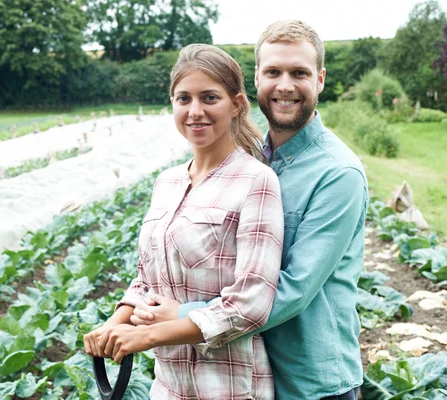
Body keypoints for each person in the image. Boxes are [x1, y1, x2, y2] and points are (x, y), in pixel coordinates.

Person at [131, 20, 368, 400]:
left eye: (300, 73)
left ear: (320, 80)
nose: (285, 85)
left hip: (310, 381)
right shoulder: (252, 159)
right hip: (246, 371)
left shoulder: (338, 174)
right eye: (273, 72)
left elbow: (292, 289)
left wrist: (179, 315)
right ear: (257, 78)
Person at [83, 44, 284, 399]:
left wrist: (146, 336)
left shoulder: (256, 181)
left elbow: (251, 303)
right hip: (168, 385)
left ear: (236, 104)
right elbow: (148, 279)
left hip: (230, 387)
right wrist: (114, 325)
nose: (195, 112)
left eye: (209, 98)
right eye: (183, 99)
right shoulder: (167, 182)